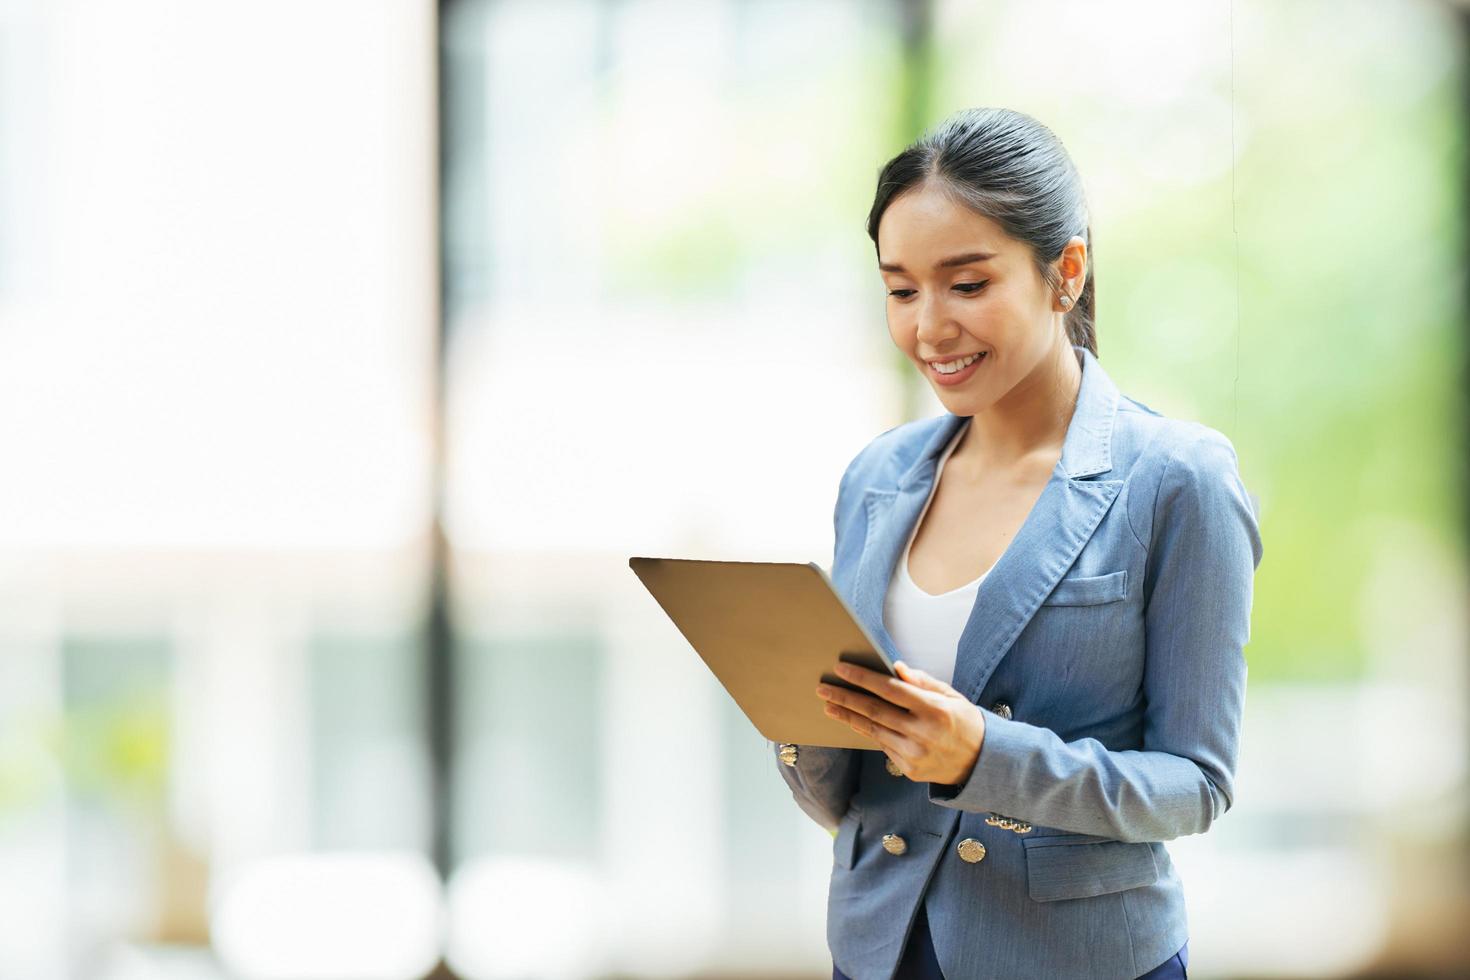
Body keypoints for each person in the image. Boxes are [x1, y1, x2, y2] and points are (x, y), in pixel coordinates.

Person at [772, 107, 1262, 980]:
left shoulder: (1175, 479)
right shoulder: (877, 478)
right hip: (879, 949)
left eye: (967, 285)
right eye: (900, 289)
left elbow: (1196, 785)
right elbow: (851, 791)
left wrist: (983, 759)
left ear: (1064, 272)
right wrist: (800, 715)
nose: (929, 328)